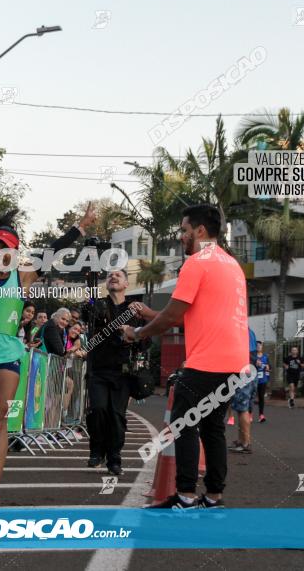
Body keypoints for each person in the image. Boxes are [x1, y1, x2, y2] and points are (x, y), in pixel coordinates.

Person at [0, 167, 94, 507]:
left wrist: (79, 228)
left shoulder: (23, 277)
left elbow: (53, 250)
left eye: (7, 246)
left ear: (15, 250)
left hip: (8, 358)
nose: (1, 251)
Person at [122, 204, 248, 509]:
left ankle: (185, 494)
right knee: (213, 428)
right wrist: (154, 316)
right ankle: (214, 496)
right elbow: (182, 317)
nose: (181, 236)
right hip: (236, 363)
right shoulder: (232, 265)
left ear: (200, 231)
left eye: (184, 230)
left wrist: (138, 333)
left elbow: (172, 316)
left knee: (183, 423)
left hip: (207, 362)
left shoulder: (197, 262)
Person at [83, 269, 147, 476]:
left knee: (117, 417)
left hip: (123, 372)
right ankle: (96, 450)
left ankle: (114, 459)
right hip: (98, 370)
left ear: (127, 284)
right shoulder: (97, 304)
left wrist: (133, 335)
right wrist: (90, 278)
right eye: (110, 275)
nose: (113, 277)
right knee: (98, 410)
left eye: (118, 275)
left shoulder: (136, 308)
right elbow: (87, 311)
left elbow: (146, 340)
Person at [229, 329, 259, 454]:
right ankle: (242, 441)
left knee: (242, 409)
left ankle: (245, 443)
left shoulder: (239, 330)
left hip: (243, 372)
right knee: (243, 408)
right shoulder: (250, 331)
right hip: (251, 371)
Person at [254, 341, 270, 422]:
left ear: (262, 347)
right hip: (253, 380)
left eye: (260, 346)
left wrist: (267, 367)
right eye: (257, 346)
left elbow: (269, 367)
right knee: (251, 397)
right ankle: (249, 414)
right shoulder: (253, 357)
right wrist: (255, 364)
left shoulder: (265, 357)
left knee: (261, 397)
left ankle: (261, 415)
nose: (258, 347)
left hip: (262, 380)